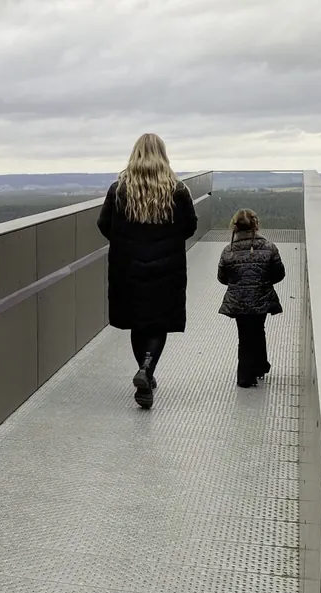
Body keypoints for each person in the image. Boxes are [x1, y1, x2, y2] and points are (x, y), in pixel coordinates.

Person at [98, 133, 199, 409]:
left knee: (138, 323)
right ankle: (147, 369)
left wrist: (126, 244)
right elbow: (190, 226)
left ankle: (146, 372)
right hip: (166, 270)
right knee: (158, 323)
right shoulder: (178, 190)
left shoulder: (118, 190)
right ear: (163, 156)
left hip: (128, 268)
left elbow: (104, 224)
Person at [217, 208, 286, 388]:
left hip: (238, 300)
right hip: (261, 297)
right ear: (256, 225)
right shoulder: (269, 247)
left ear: (235, 226)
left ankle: (246, 375)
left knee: (245, 334)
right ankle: (259, 366)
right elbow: (279, 274)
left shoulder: (228, 250)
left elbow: (222, 278)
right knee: (258, 329)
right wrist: (263, 282)